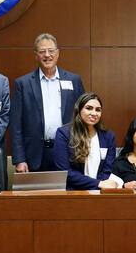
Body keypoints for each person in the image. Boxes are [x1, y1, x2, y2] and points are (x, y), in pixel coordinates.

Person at [10, 33, 85, 173]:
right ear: (36, 55)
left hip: (68, 150)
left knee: (68, 193)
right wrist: (19, 159)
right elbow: (16, 125)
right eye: (42, 51)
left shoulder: (74, 80)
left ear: (58, 53)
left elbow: (83, 118)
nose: (47, 55)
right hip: (35, 154)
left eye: (51, 50)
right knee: (37, 194)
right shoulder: (23, 84)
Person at [53, 92, 118, 190]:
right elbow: (65, 172)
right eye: (89, 108)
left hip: (100, 192)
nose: (94, 113)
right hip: (74, 191)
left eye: (98, 110)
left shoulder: (108, 136)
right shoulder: (64, 133)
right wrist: (97, 184)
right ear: (79, 110)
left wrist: (98, 186)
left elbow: (107, 169)